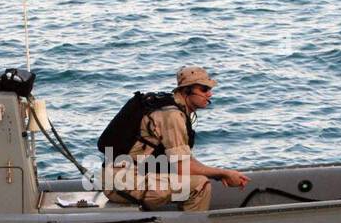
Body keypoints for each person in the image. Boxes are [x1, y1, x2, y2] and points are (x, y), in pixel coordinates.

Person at [104, 65, 249, 212]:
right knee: (200, 185)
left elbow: (186, 161)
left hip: (122, 179)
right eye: (204, 89)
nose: (210, 94)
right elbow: (183, 168)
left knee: (192, 180)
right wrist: (223, 173)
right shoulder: (172, 116)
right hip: (122, 184)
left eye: (210, 89)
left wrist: (219, 175)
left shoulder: (173, 109)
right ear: (187, 90)